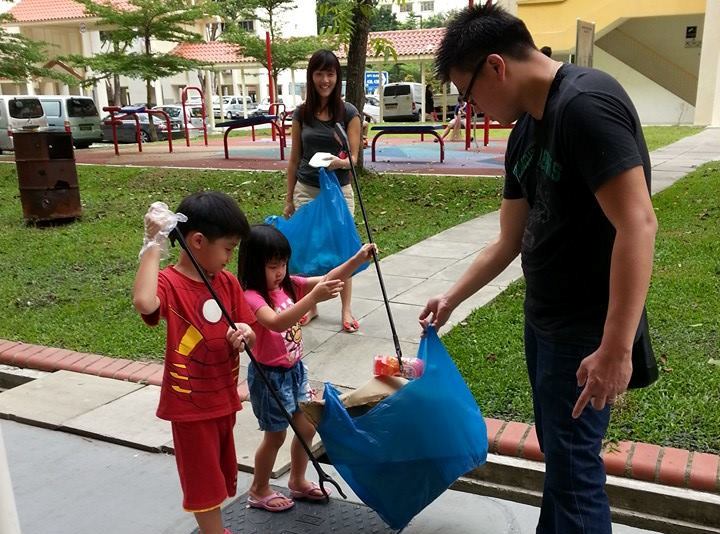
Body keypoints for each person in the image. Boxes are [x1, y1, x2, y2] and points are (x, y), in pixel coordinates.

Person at [421, 5, 657, 534]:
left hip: (587, 330)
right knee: (562, 455)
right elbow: (509, 239)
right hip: (544, 321)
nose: (472, 107)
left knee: (574, 469)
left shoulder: (586, 104)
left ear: (496, 67)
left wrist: (615, 348)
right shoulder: (525, 133)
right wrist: (452, 297)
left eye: (467, 93)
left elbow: (638, 223)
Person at [132, 192, 257, 534]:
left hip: (223, 398)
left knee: (219, 473)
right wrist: (153, 242)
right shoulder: (170, 285)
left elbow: (249, 330)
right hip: (189, 405)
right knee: (204, 482)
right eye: (228, 248)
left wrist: (245, 333)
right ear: (198, 241)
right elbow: (144, 301)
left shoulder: (226, 283)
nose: (230, 258)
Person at [238, 224, 375, 512]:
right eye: (273, 266)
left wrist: (358, 259)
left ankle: (297, 481)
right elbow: (276, 323)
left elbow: (325, 279)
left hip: (296, 370)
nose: (280, 271)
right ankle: (258, 489)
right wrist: (312, 299)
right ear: (253, 266)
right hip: (269, 378)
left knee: (307, 425)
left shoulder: (287, 285)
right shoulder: (253, 296)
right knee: (274, 437)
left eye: (284, 263)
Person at [284, 49, 363, 333]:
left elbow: (354, 158)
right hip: (306, 188)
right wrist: (288, 198)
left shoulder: (349, 113)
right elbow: (294, 159)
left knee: (343, 251)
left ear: (337, 77)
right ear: (312, 76)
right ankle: (310, 306)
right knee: (304, 250)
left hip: (339, 191)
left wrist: (339, 162)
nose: (325, 79)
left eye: (330, 74)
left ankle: (346, 309)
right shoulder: (301, 113)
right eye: (320, 73)